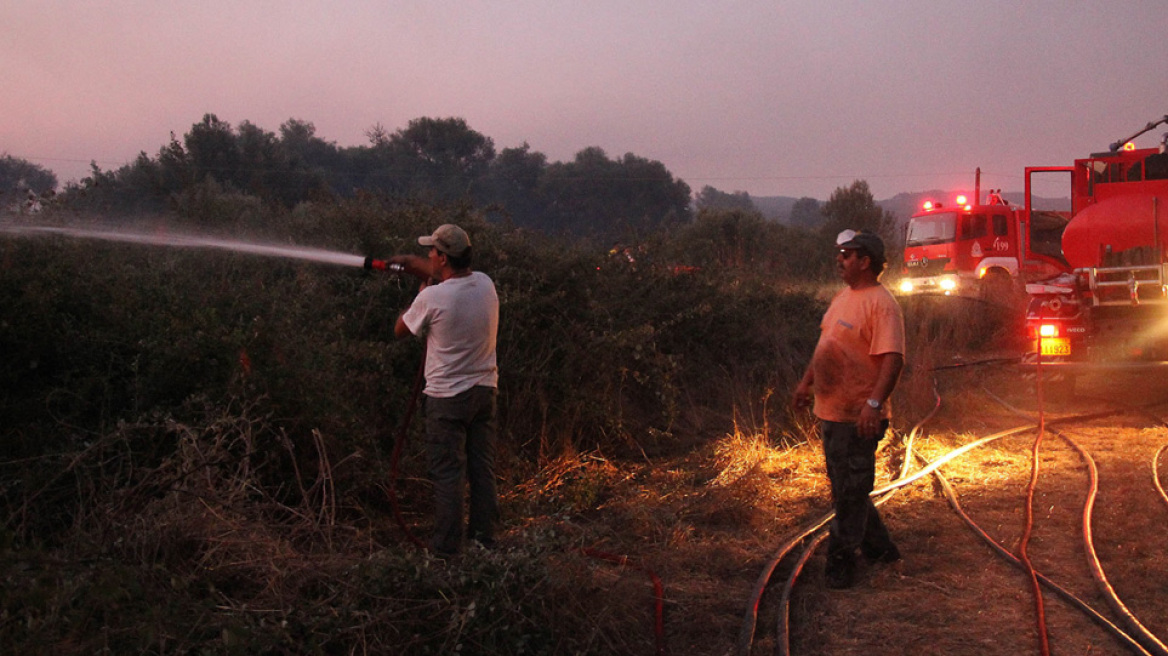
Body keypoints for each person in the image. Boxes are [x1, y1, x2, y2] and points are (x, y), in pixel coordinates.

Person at [793, 229, 906, 589]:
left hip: (859, 417)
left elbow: (892, 360)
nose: (839, 261)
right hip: (831, 411)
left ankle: (841, 562)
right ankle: (880, 548)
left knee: (850, 490)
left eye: (846, 254)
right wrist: (806, 382)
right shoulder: (844, 297)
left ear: (864, 261)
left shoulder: (882, 304)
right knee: (846, 487)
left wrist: (873, 405)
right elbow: (828, 343)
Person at [390, 224, 500, 556]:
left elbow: (400, 329)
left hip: (447, 400)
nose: (428, 255)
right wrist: (409, 262)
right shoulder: (485, 284)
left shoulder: (432, 297)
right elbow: (447, 276)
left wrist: (420, 292)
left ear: (442, 257)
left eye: (431, 252)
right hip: (484, 393)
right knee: (482, 469)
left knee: (448, 474)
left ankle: (447, 551)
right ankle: (484, 543)